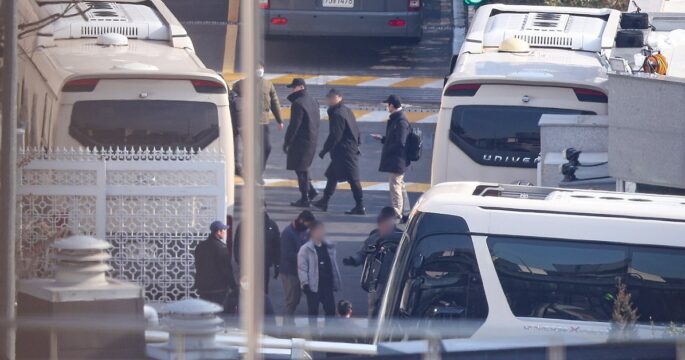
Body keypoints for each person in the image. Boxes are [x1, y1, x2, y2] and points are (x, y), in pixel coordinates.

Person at [312, 89, 365, 215]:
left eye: (332, 97)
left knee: (353, 179)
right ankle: (324, 201)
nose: (329, 100)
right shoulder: (346, 110)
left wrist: (324, 150)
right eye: (328, 97)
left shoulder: (338, 114)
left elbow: (335, 135)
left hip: (345, 152)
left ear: (339, 98)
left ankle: (360, 206)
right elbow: (356, 129)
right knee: (332, 175)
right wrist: (357, 143)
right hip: (345, 150)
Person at [343, 206, 402, 317]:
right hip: (375, 280)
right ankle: (373, 329)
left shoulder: (400, 237)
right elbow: (363, 252)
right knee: (373, 305)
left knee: (393, 305)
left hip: (394, 279)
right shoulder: (375, 237)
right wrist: (353, 260)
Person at [231, 63, 284, 177]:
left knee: (267, 147)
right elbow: (233, 100)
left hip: (262, 122)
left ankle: (259, 171)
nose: (259, 70)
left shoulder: (268, 84)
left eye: (260, 68)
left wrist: (280, 120)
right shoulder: (241, 84)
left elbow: (274, 102)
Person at [372, 95, 411, 220]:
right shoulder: (397, 119)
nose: (386, 107)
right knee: (399, 185)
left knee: (395, 186)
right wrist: (383, 139)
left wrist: (388, 148)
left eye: (387, 105)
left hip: (397, 160)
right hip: (398, 160)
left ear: (392, 106)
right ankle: (405, 210)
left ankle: (397, 212)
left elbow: (401, 142)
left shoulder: (400, 121)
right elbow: (395, 139)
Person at [283, 78, 320, 207]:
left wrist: (287, 141)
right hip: (312, 140)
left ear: (301, 87)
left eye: (294, 87)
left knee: (301, 170)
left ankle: (305, 198)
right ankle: (311, 191)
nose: (292, 89)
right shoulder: (314, 101)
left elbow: (294, 125)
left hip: (301, 142)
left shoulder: (298, 103)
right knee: (303, 168)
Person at [297, 221, 342, 326]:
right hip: (313, 286)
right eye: (318, 231)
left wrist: (335, 282)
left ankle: (328, 333)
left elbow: (333, 265)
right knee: (313, 312)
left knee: (330, 310)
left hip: (327, 285)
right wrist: (305, 283)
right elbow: (302, 268)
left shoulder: (329, 246)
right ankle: (314, 335)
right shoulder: (305, 249)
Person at [280, 210, 317, 324]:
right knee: (291, 300)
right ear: (301, 221)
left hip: (300, 271)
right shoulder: (288, 233)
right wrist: (304, 257)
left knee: (295, 300)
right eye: (308, 224)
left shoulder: (304, 231)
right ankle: (287, 327)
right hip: (289, 272)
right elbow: (286, 254)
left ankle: (289, 324)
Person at [194, 220, 238, 312]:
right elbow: (227, 270)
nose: (225, 233)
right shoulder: (221, 248)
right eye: (224, 230)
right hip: (218, 288)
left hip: (203, 287)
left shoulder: (200, 246)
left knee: (204, 312)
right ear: (218, 232)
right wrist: (233, 286)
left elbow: (198, 265)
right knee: (217, 312)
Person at [233, 210, 281, 293]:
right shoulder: (244, 225)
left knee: (262, 290)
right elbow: (237, 244)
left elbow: (277, 246)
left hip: (264, 265)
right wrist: (240, 261)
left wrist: (277, 264)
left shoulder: (271, 226)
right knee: (246, 290)